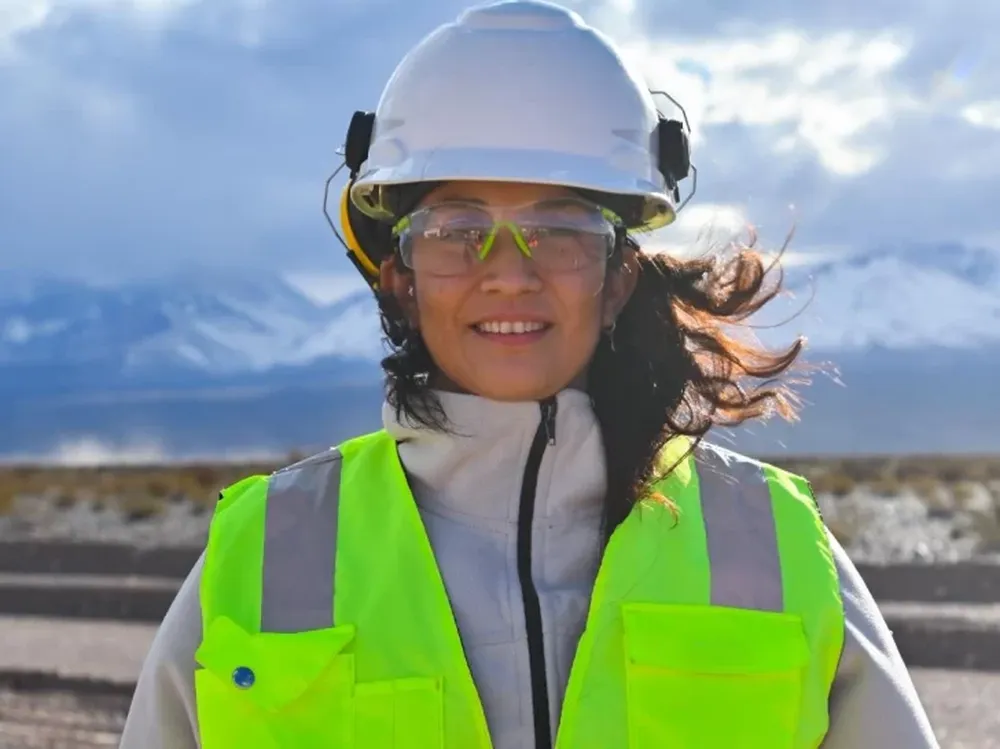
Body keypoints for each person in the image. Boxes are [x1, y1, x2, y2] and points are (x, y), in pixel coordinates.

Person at [119, 1, 940, 747]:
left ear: (618, 277)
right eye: (456, 230)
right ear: (400, 276)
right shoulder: (265, 556)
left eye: (560, 230)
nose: (509, 274)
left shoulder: (771, 544)